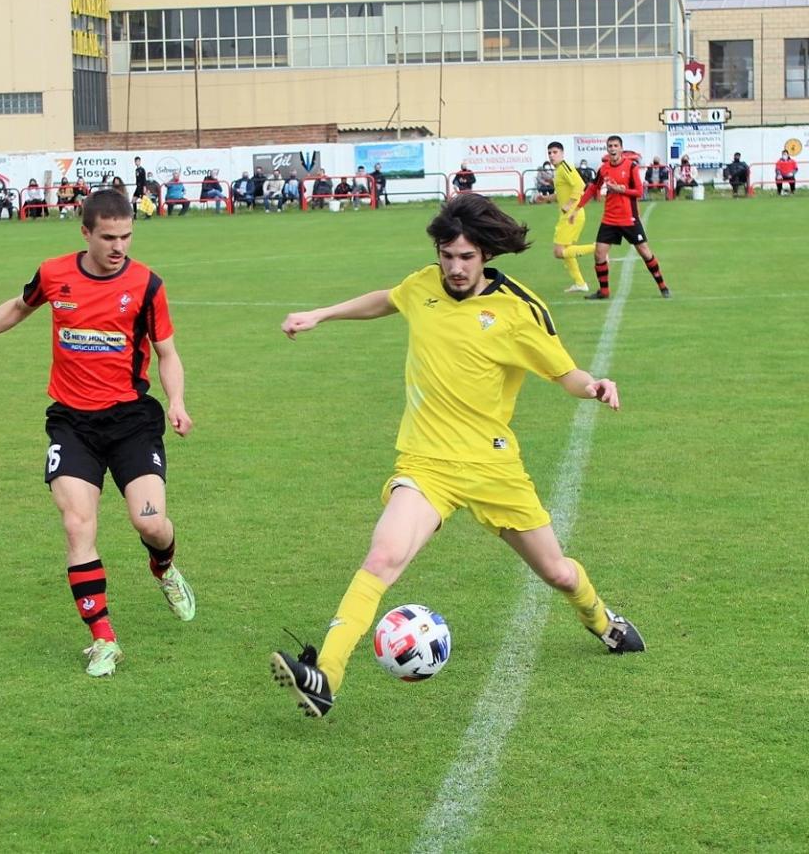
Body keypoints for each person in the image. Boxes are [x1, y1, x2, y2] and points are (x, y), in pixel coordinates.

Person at [270, 192, 643, 719]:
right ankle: (326, 673)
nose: (455, 267)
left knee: (557, 573)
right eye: (447, 255)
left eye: (466, 257)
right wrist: (320, 314)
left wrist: (594, 386)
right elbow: (388, 298)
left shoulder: (519, 309)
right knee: (382, 558)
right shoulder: (423, 285)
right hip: (427, 465)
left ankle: (603, 622)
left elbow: (565, 373)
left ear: (486, 253)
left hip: (494, 469)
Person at [0, 188, 197, 678]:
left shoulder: (147, 285)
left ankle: (163, 566)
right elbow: (19, 307)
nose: (119, 246)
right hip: (72, 422)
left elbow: (167, 352)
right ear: (85, 233)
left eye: (126, 236)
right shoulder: (54, 273)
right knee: (77, 525)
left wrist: (178, 403)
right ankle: (104, 639)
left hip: (131, 421)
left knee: (150, 523)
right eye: (108, 237)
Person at [572, 134, 671, 301]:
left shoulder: (631, 167)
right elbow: (592, 188)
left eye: (615, 146)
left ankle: (663, 286)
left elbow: (639, 192)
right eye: (610, 146)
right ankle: (604, 292)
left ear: (621, 148)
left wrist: (620, 189)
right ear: (607, 149)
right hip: (609, 219)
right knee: (599, 254)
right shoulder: (603, 169)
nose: (612, 149)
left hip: (629, 218)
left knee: (645, 252)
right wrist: (578, 207)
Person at [547, 142, 592, 293]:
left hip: (572, 215)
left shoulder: (565, 167)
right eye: (550, 153)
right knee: (566, 251)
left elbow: (580, 185)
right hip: (571, 214)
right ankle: (580, 284)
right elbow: (561, 193)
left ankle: (598, 248)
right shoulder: (559, 171)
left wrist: (569, 204)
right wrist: (545, 198)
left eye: (555, 152)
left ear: (562, 153)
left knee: (558, 252)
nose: (552, 155)